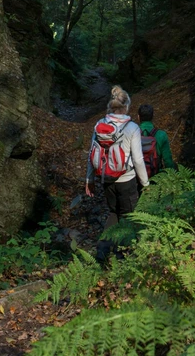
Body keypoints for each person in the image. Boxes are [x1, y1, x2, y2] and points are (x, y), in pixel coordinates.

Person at [86, 85, 149, 261]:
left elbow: (91, 153)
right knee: (128, 216)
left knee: (113, 212)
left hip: (106, 178)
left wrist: (89, 178)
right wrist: (145, 183)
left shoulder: (99, 125)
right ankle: (123, 256)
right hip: (127, 180)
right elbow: (137, 160)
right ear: (127, 106)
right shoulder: (132, 128)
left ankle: (103, 252)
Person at [137, 104, 176, 172]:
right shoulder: (161, 135)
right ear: (153, 117)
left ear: (138, 117)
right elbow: (168, 161)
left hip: (137, 176)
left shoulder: (132, 134)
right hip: (156, 175)